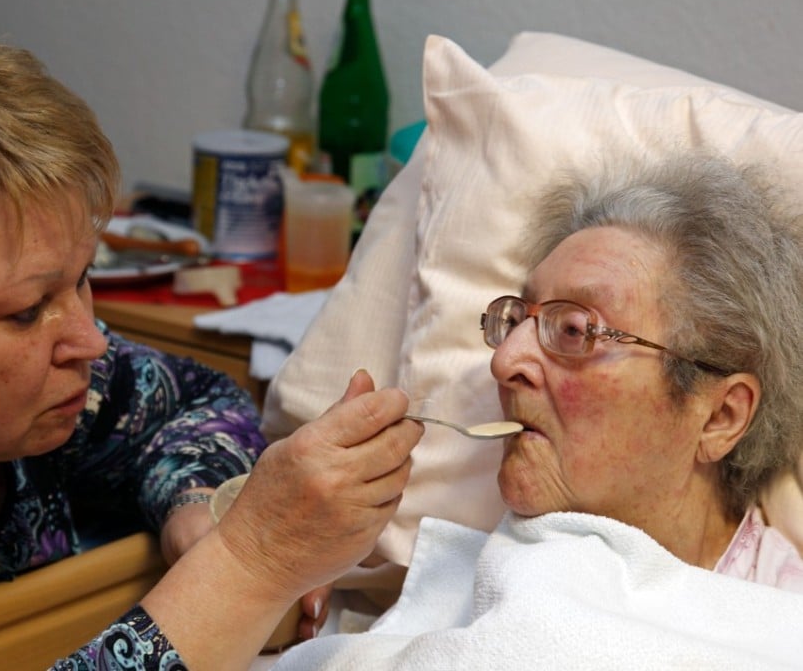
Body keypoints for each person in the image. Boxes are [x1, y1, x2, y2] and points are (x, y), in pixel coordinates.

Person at [0, 36, 423, 670]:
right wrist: (249, 561)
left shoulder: (53, 390)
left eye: (82, 278)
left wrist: (194, 504)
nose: (90, 340)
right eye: (27, 311)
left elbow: (198, 401)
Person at [269, 152, 803, 669]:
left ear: (720, 417)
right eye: (515, 320)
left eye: (574, 330)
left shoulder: (780, 628)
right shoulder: (445, 596)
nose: (504, 361)